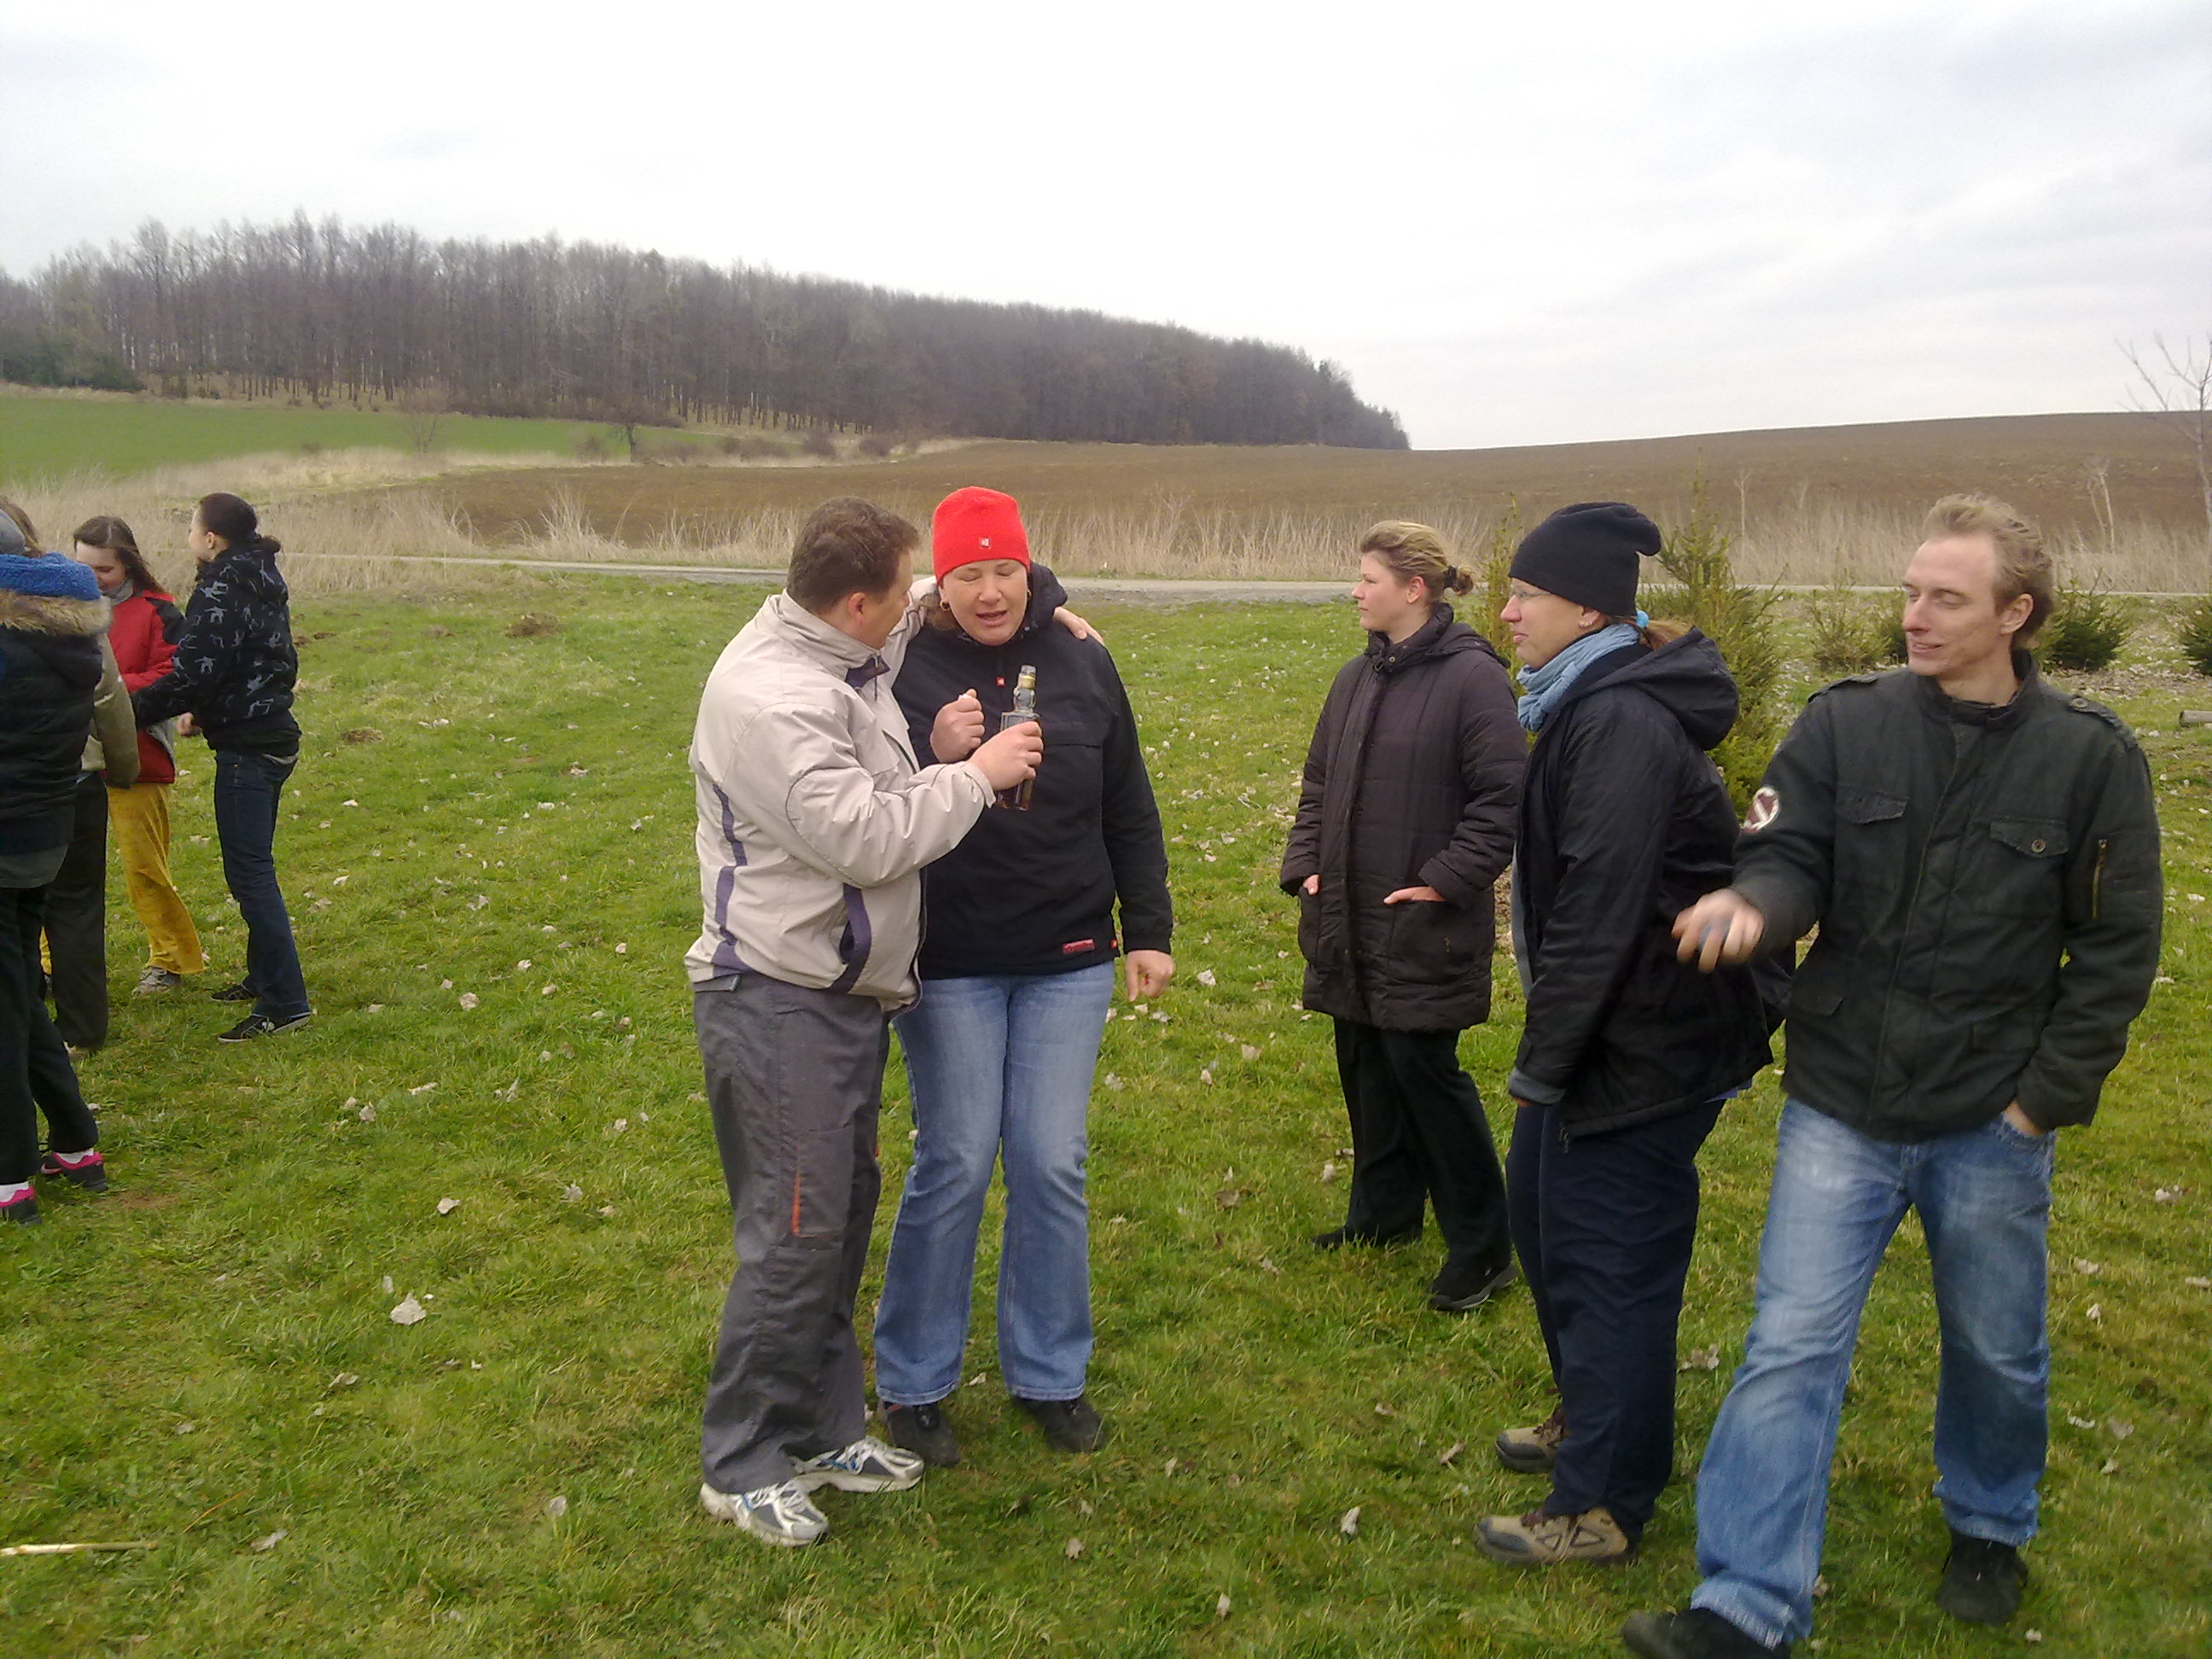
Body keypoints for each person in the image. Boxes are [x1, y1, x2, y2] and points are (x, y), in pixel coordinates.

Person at [1624, 497, 2163, 1659]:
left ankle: (1989, 1520)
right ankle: (1748, 1601)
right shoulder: (1846, 724)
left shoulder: (2089, 759)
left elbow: (2119, 951)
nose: (1914, 615)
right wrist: (1754, 905)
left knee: (1996, 1348)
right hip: (1843, 1098)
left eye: (1946, 599)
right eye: (1911, 592)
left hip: (1991, 1113)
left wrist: (2039, 1102)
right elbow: (1787, 856)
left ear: (2016, 614)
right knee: (1791, 1344)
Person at [687, 496, 1045, 1546]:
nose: (914, 607)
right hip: (777, 997)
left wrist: (1048, 602)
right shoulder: (774, 701)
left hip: (839, 994)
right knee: (794, 1231)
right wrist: (973, 777)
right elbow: (865, 838)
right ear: (855, 604)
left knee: (837, 1217)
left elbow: (937, 593)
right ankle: (741, 1460)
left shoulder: (840, 643)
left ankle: (819, 1427)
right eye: (900, 593)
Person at [1467, 502, 1771, 1569]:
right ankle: (1596, 1421)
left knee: (1610, 1266)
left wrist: (1543, 1066)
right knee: (1545, 1226)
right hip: (1609, 1027)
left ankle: (1601, 1503)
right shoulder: (1585, 701)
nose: (1506, 612)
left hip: (1650, 1041)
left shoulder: (1621, 724)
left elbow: (1601, 905)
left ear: (1589, 609)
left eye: (1526, 595)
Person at [871, 486, 1173, 1467]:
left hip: (1067, 957)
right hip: (951, 957)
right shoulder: (904, 665)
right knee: (956, 1159)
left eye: (1005, 570)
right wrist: (937, 752)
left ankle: (1050, 1374)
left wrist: (1149, 931)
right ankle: (915, 1381)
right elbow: (869, 803)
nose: (991, 592)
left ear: (1030, 570)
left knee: (1051, 1162)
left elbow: (1128, 802)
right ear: (941, 583)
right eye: (968, 575)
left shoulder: (1083, 656)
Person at [1280, 521, 1524, 1313]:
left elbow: (1503, 799)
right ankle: (1385, 1216)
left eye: (1369, 579)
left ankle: (1484, 1247)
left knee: (1426, 1078)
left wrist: (1444, 882)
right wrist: (1306, 867)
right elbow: (1319, 785)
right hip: (1347, 916)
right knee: (1365, 1063)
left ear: (1414, 589)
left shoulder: (1473, 679)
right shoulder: (1356, 677)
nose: (1356, 591)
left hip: (1422, 923)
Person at [133, 493, 309, 1042]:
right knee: (254, 868)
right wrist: (204, 709)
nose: (189, 536)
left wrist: (126, 712)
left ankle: (286, 1003)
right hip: (271, 732)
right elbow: (251, 659)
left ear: (211, 538)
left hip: (250, 748)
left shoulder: (220, 587)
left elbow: (193, 674)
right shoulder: (258, 574)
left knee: (250, 875)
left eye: (192, 527)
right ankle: (263, 977)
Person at [0, 504, 114, 1222]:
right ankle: (75, 1143)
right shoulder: (69, 640)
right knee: (17, 994)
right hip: (43, 837)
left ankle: (9, 1176)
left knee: (4, 1011)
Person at [71, 515, 204, 997]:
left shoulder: (158, 611)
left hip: (141, 754)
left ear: (127, 563)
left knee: (145, 866)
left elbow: (175, 674)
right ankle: (49, 962)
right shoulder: (61, 609)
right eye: (83, 568)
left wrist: (112, 690)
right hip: (71, 759)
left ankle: (171, 959)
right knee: (63, 871)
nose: (93, 580)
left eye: (103, 569)